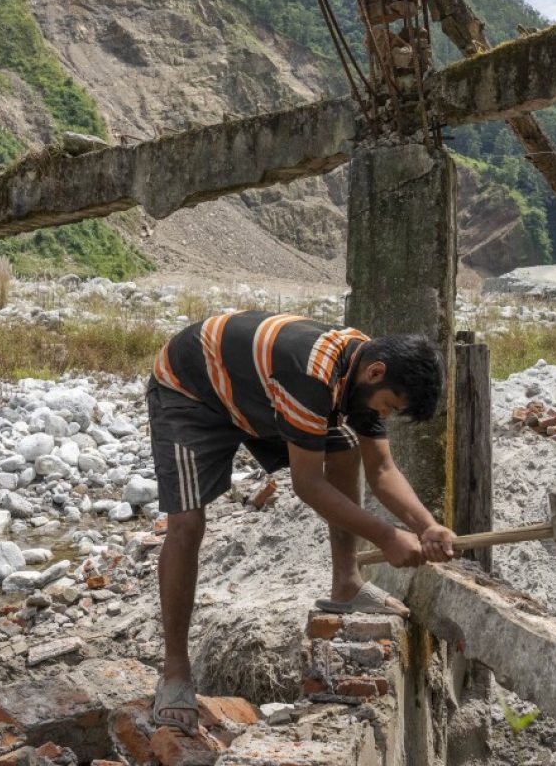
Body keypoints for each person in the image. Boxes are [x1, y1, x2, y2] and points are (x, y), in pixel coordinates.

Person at [146, 310, 456, 734]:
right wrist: (386, 536)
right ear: (376, 372)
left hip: (256, 391)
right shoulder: (311, 375)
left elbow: (381, 469)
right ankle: (176, 672)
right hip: (191, 390)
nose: (384, 412)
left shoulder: (361, 366)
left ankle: (346, 583)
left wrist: (426, 526)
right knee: (187, 522)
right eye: (388, 405)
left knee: (344, 444)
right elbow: (307, 484)